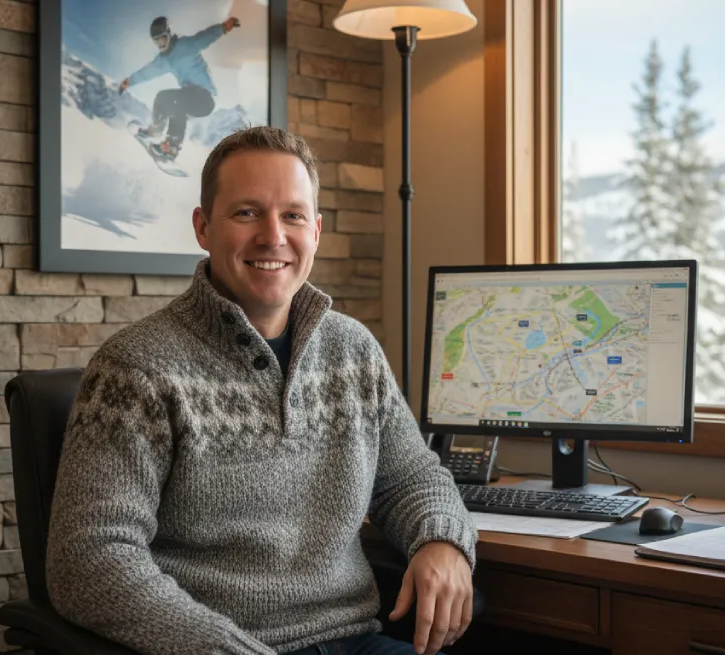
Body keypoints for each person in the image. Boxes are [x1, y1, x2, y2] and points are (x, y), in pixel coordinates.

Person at [45, 126, 478, 655]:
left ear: (315, 231)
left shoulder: (354, 350)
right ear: (203, 228)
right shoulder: (136, 368)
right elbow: (89, 559)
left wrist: (442, 540)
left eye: (292, 215)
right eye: (247, 212)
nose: (273, 236)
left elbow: (412, 476)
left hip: (354, 639)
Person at [118, 15, 240, 159]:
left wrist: (224, 27)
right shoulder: (164, 60)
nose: (161, 45)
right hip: (189, 97)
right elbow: (148, 72)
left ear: (168, 34)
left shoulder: (186, 45)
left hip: (205, 98)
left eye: (162, 40)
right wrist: (129, 81)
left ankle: (172, 147)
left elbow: (205, 37)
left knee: (179, 102)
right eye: (157, 42)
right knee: (163, 97)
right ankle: (155, 131)